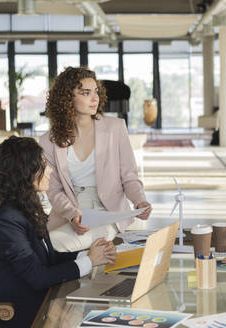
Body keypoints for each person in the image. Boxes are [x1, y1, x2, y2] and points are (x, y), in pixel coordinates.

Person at [0, 136, 116, 327]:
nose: (50, 170)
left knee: (96, 306)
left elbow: (49, 257)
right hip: (15, 310)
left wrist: (89, 254)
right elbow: (38, 277)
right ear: (25, 172)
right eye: (43, 165)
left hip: (37, 298)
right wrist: (89, 261)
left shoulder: (24, 207)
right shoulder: (6, 219)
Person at [40, 66, 152, 252]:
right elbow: (54, 191)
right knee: (44, 245)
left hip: (108, 213)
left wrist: (140, 201)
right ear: (67, 98)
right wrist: (72, 215)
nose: (95, 98)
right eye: (85, 93)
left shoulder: (115, 128)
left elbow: (129, 176)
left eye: (96, 92)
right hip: (69, 213)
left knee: (56, 245)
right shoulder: (48, 140)